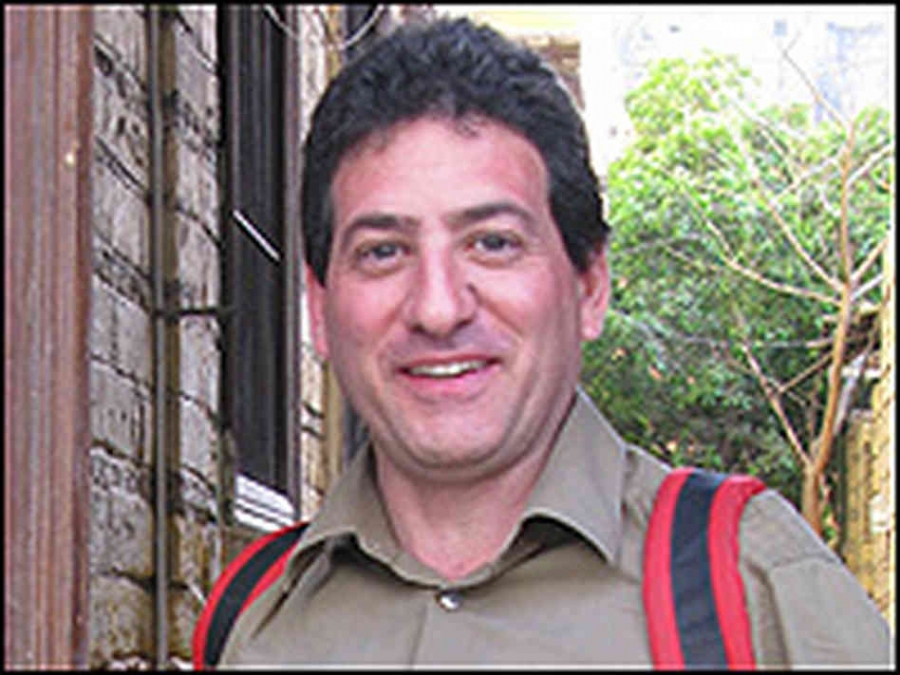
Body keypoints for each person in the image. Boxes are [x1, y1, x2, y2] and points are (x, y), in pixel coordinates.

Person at [215, 17, 892, 667]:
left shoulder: (753, 587)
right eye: (384, 251)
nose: (438, 308)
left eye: (493, 243)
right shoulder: (252, 616)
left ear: (589, 284)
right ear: (319, 305)